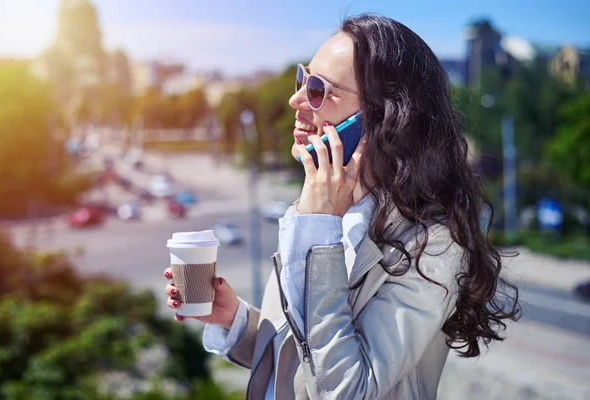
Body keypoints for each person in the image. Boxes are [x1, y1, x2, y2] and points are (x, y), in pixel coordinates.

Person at [163, 14, 520, 400]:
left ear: (383, 119)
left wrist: (318, 231)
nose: (295, 99)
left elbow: (346, 388)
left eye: (319, 90)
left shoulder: (433, 245)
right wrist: (235, 321)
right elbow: (300, 364)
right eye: (303, 78)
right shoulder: (313, 208)